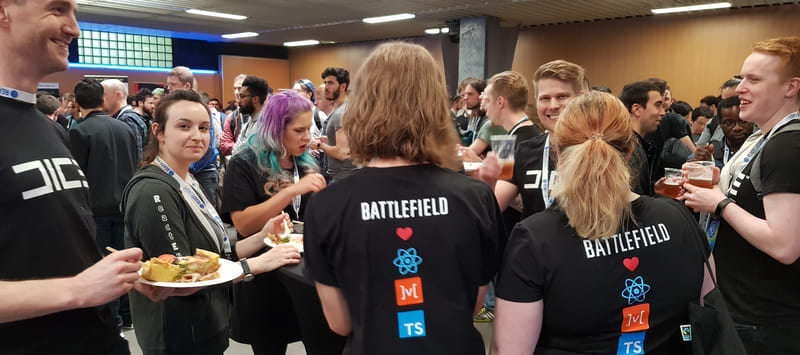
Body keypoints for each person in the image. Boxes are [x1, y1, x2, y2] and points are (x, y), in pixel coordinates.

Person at [305, 41, 502, 355]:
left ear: (363, 105)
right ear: (436, 105)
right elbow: (472, 305)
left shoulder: (327, 205)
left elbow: (341, 324)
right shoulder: (477, 197)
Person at [491, 92, 713, 355]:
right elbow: (707, 305)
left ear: (558, 153)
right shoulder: (678, 217)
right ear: (631, 151)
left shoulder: (535, 239)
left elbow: (510, 350)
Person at [0, 0, 162, 352]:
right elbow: (73, 284)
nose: (74, 28)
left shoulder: (50, 129)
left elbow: (46, 246)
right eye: (57, 9)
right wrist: (76, 289)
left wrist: (117, 275)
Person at [122, 90, 301, 355]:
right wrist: (255, 265)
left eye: (204, 127)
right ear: (159, 132)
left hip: (206, 322)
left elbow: (216, 255)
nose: (197, 135)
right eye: (184, 126)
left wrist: (262, 235)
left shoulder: (186, 179)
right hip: (178, 334)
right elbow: (182, 276)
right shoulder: (153, 191)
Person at [682, 36, 800, 354]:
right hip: (749, 310)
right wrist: (722, 184)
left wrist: (718, 204)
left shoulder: (786, 145)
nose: (739, 89)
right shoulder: (766, 138)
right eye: (742, 77)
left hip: (763, 320)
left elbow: (785, 245)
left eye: (754, 79)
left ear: (791, 87)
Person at [222, 91, 326, 354]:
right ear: (277, 129)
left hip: (303, 273)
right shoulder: (245, 162)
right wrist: (290, 191)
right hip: (264, 279)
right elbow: (244, 225)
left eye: (309, 129)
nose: (307, 137)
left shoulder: (307, 162)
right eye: (299, 130)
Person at [70, 78, 139, 331]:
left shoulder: (79, 131)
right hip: (125, 205)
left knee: (103, 264)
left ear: (76, 103)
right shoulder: (125, 128)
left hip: (96, 208)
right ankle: (128, 313)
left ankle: (114, 319)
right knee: (124, 261)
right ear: (101, 99)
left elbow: (77, 173)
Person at [479, 59, 588, 219]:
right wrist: (487, 180)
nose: (553, 105)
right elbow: (492, 209)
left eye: (562, 96)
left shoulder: (602, 150)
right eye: (545, 98)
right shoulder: (511, 146)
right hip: (532, 240)